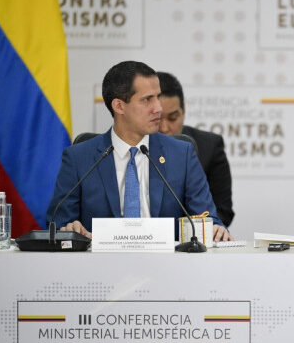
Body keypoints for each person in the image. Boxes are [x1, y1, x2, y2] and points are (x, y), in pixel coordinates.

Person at [46, 61, 232, 241]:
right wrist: (69, 228)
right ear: (119, 106)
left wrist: (214, 228)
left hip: (169, 266)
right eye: (147, 100)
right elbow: (58, 222)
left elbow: (207, 219)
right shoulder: (79, 158)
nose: (158, 108)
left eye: (157, 97)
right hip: (99, 266)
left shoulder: (182, 155)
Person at [156, 71, 234, 227]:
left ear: (183, 110)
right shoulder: (134, 146)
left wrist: (204, 229)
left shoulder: (210, 145)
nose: (164, 128)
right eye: (157, 119)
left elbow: (223, 210)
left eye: (172, 118)